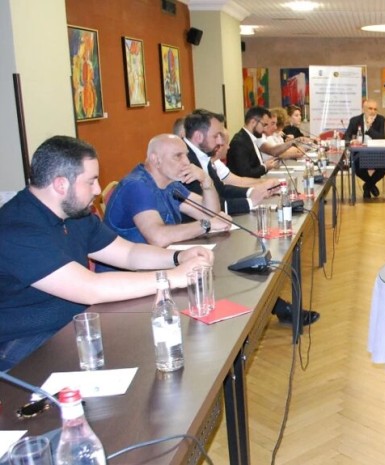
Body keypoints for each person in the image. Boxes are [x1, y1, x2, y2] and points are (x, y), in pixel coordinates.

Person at [0, 136, 213, 370]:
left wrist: (178, 258)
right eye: (91, 181)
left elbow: (128, 253)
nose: (98, 190)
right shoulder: (16, 228)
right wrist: (172, 277)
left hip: (75, 325)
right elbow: (89, 288)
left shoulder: (75, 214)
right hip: (24, 345)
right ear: (61, 184)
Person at [103, 134, 232, 252]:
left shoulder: (170, 184)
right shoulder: (137, 186)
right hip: (128, 268)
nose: (187, 162)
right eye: (178, 156)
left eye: (186, 155)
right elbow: (158, 238)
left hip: (157, 260)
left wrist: (206, 181)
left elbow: (210, 214)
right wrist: (206, 225)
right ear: (155, 159)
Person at [182, 109, 275, 216]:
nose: (220, 141)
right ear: (198, 137)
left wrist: (251, 192)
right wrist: (249, 202)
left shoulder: (203, 154)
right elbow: (206, 206)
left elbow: (221, 189)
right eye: (216, 136)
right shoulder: (184, 161)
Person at [344, 99, 385, 199]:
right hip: (360, 153)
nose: (373, 111)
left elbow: (381, 137)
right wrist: (352, 141)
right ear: (364, 109)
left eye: (375, 109)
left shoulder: (380, 119)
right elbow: (346, 136)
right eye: (370, 108)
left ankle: (367, 186)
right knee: (357, 167)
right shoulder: (355, 120)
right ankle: (370, 185)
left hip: (376, 153)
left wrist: (369, 128)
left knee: (384, 168)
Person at [226, 106, 279, 178]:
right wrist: (265, 167)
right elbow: (245, 173)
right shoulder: (239, 142)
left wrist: (267, 165)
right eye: (264, 125)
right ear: (253, 122)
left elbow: (254, 165)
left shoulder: (250, 138)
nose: (264, 129)